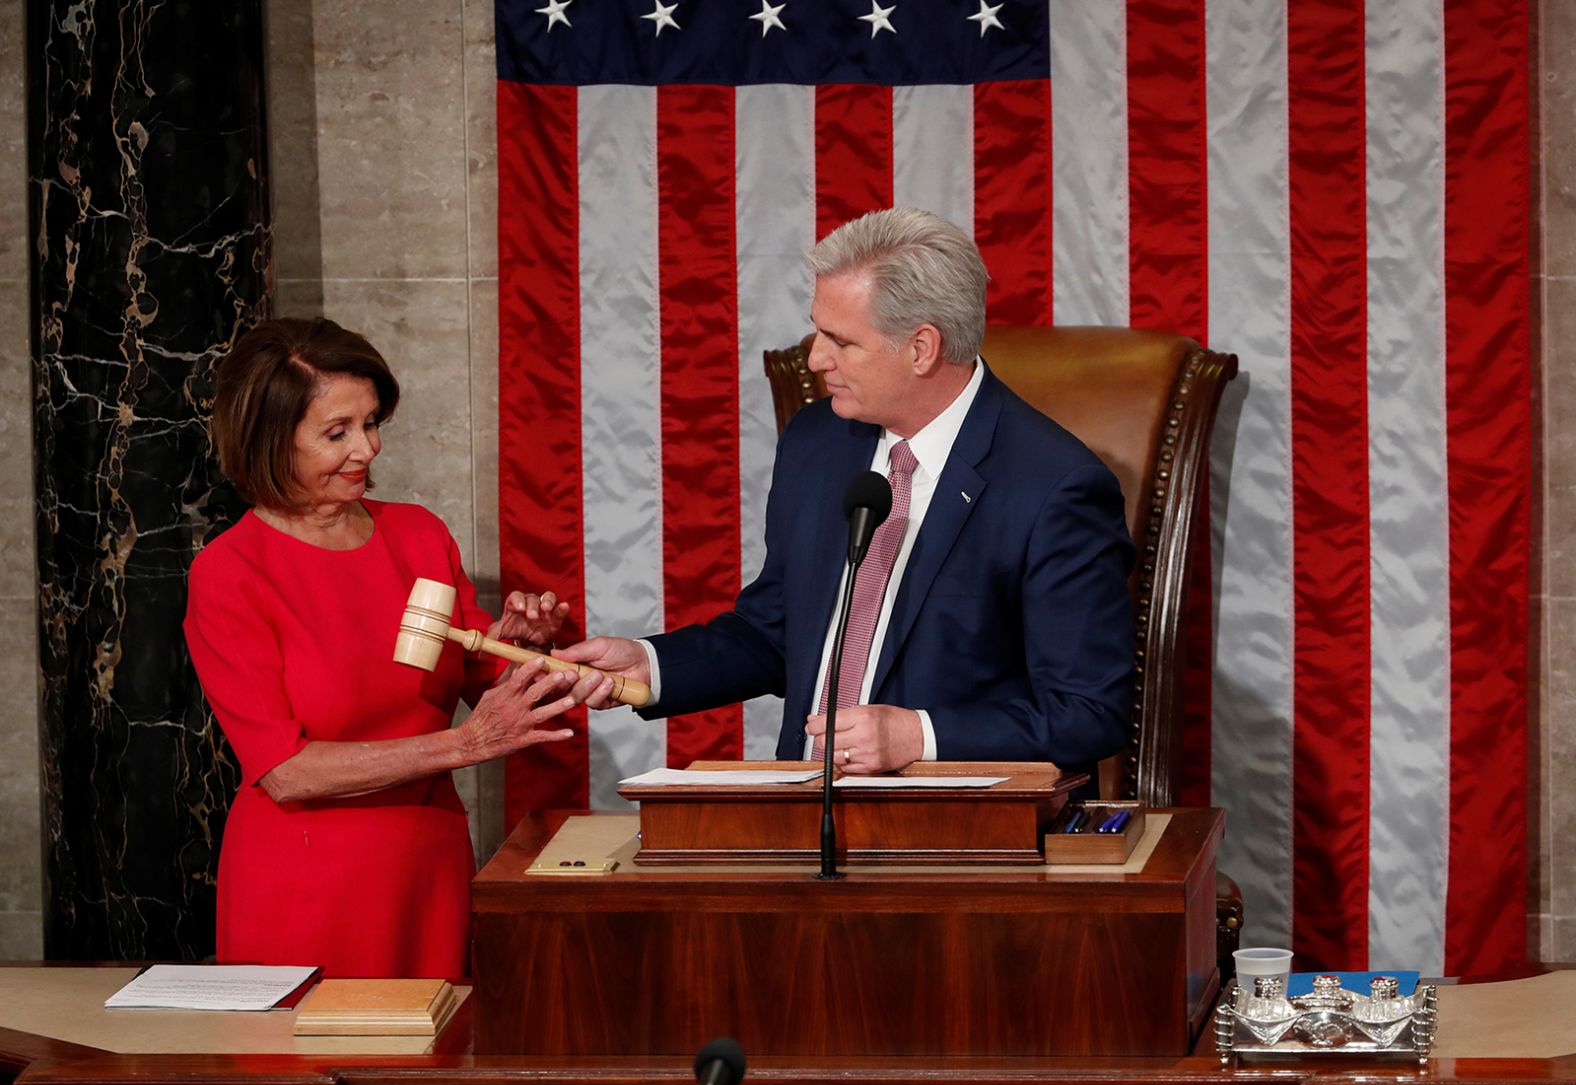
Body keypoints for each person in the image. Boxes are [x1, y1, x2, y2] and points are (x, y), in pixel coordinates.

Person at [560, 208, 1135, 775]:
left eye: (840, 340)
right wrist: (651, 666)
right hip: (805, 815)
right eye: (817, 330)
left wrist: (919, 735)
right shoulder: (818, 441)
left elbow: (1087, 712)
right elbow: (777, 632)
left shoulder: (1054, 486)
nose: (814, 358)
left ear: (921, 348)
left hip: (960, 833)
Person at [184, 318, 574, 978]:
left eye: (370, 422)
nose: (367, 447)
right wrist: (464, 745)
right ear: (268, 440)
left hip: (429, 870)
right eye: (337, 433)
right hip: (308, 885)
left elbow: (479, 673)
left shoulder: (418, 535)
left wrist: (521, 646)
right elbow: (286, 771)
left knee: (435, 1068)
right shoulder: (231, 572)